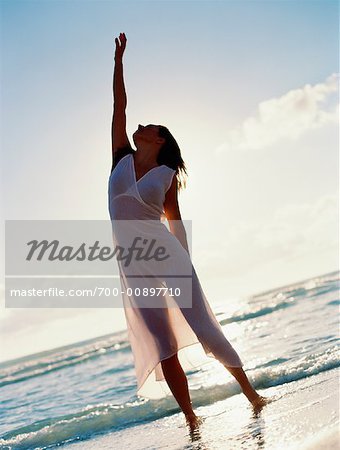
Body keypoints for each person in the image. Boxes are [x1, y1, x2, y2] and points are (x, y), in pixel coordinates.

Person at [109, 32, 270, 432]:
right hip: (133, 266)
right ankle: (191, 419)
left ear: (159, 139)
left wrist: (186, 266)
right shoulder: (119, 157)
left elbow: (173, 220)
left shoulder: (166, 175)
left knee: (205, 330)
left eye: (149, 125)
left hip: (167, 257)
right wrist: (119, 62)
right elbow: (119, 107)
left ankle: (252, 394)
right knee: (164, 347)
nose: (138, 125)